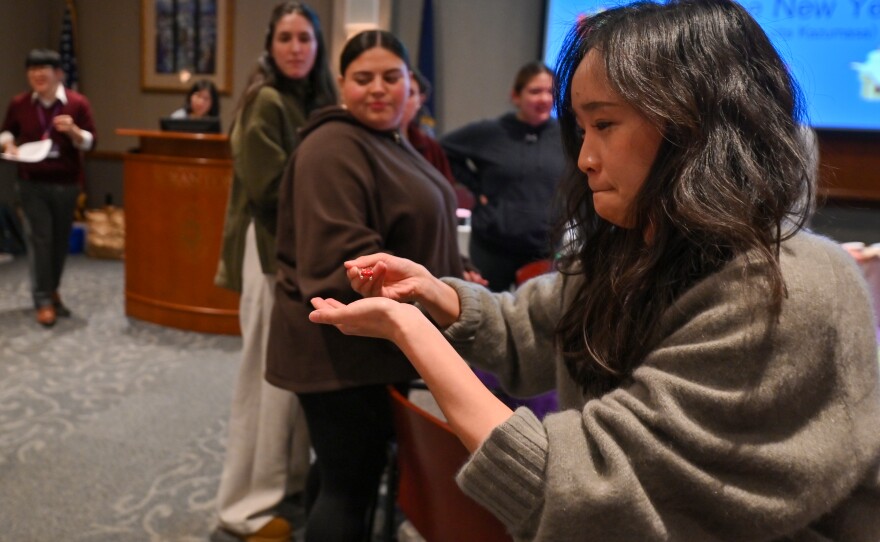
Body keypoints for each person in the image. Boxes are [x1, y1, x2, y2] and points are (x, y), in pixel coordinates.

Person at [308, 1, 880, 540]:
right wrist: (433, 296)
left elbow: (584, 488)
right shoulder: (637, 244)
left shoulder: (785, 290)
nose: (583, 158)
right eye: (581, 130)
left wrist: (411, 332)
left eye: (604, 125)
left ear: (696, 125)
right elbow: (533, 329)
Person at [265, 30, 464, 541]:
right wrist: (430, 287)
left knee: (338, 475)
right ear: (340, 85)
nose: (378, 89)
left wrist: (448, 280)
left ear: (409, 83)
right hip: (341, 351)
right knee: (347, 486)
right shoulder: (333, 147)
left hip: (377, 346)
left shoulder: (387, 140)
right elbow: (341, 261)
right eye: (363, 78)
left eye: (391, 77)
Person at [212, 3, 337, 541]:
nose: (295, 48)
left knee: (288, 385)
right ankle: (243, 506)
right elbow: (270, 189)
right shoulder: (264, 100)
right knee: (262, 386)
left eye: (304, 38)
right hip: (268, 257)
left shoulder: (315, 100)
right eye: (285, 38)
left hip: (300, 257)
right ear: (271, 44)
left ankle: (281, 485)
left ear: (317, 46)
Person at [441, 61, 566, 293]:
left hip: (543, 248)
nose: (544, 99)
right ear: (516, 96)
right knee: (485, 316)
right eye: (535, 91)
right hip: (492, 247)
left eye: (550, 92)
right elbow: (442, 149)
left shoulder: (566, 135)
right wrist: (476, 187)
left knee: (537, 321)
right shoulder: (491, 132)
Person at [0, 48, 96, 327]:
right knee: (39, 240)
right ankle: (42, 299)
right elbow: (7, 132)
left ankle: (51, 289)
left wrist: (75, 132)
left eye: (44, 69)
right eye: (33, 70)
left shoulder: (77, 104)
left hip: (66, 184)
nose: (38, 75)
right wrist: (8, 145)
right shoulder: (19, 104)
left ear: (59, 74)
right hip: (31, 182)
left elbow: (92, 141)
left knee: (58, 242)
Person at [400, 70, 473, 210]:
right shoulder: (365, 141)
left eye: (408, 93)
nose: (401, 99)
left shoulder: (431, 147)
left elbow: (446, 199)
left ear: (420, 100)